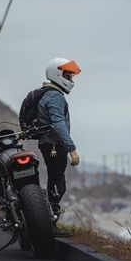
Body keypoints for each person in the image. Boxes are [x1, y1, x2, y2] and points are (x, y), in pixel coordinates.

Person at [37, 58, 81, 236]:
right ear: (57, 74)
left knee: (55, 182)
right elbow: (59, 124)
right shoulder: (55, 96)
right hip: (55, 145)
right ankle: (49, 225)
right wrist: (72, 149)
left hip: (49, 144)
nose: (71, 80)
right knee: (57, 184)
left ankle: (45, 221)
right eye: (68, 76)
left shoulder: (47, 94)